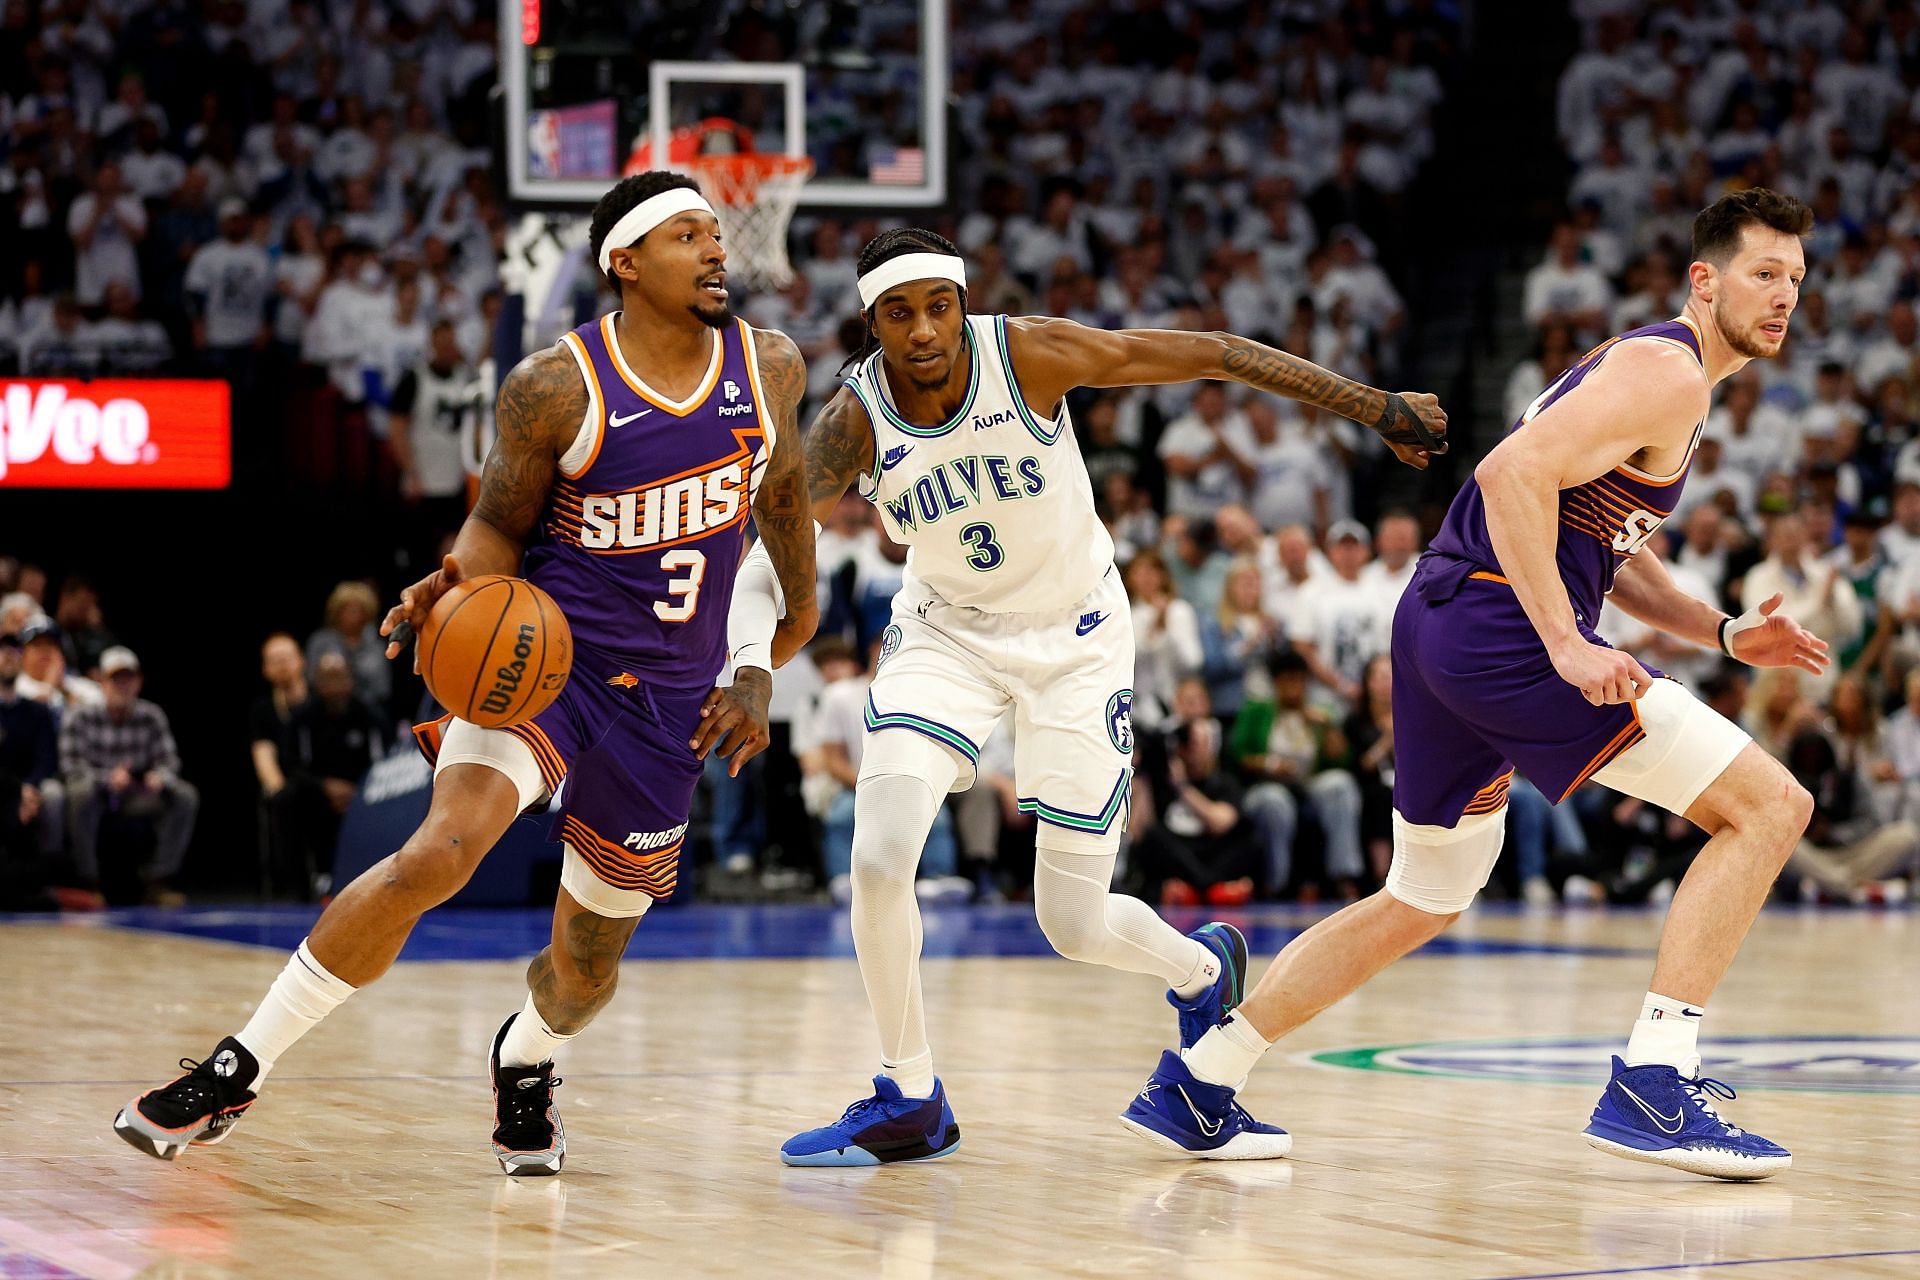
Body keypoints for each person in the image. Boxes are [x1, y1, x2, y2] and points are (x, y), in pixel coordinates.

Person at [113, 172, 819, 1176]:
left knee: (583, 973)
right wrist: (455, 586)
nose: (717, 250)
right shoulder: (555, 385)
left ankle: (525, 1056)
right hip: (547, 668)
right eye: (686, 235)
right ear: (623, 260)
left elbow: (782, 499)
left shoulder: (772, 365)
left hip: (671, 701)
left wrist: (767, 651)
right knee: (438, 852)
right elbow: (496, 525)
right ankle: (237, 1067)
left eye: (716, 233)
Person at [1125, 189, 1830, 1179]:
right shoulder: (1665, 370)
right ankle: (1655, 1081)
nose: (1784, 295)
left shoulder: (1658, 377)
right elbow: (1509, 478)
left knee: (1423, 892)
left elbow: (1606, 546)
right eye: (1764, 272)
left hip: (1445, 620)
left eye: (1796, 279)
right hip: (1503, 627)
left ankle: (1203, 1075)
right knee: (1770, 806)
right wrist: (1567, 644)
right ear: (1703, 280)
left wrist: (1718, 629)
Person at [765, 227, 1445, 1166]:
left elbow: (1213, 353)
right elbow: (772, 525)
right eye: (896, 312)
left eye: (938, 306)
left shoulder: (1031, 355)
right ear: (870, 320)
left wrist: (1372, 406)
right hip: (946, 636)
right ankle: (908, 1094)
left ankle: (1203, 968)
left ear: (962, 305)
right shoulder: (853, 420)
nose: (922, 329)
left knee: (1073, 925)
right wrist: (746, 658)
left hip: (1079, 640)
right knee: (879, 858)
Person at [60, 647, 199, 905]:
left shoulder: (151, 716)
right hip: (98, 795)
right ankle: (89, 884)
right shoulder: (81, 716)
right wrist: (106, 778)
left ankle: (158, 881)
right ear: (101, 682)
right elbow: (70, 767)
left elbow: (169, 761)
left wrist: (160, 777)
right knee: (80, 791)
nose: (122, 685)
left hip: (136, 796)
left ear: (139, 682)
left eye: (128, 678)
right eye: (115, 679)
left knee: (184, 794)